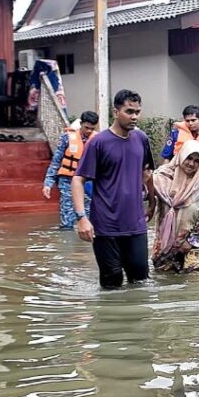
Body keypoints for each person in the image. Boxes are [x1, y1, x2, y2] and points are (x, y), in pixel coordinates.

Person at [72, 89, 157, 289]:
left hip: (135, 224)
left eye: (137, 111)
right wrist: (82, 218)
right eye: (129, 111)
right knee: (111, 282)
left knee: (141, 281)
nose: (134, 116)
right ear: (115, 112)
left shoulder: (141, 139)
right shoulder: (98, 143)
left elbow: (147, 173)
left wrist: (152, 202)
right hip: (106, 226)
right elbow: (78, 180)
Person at [151, 140, 199, 274]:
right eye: (189, 158)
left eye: (197, 161)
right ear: (181, 156)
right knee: (164, 279)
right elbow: (144, 194)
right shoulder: (162, 176)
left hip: (193, 242)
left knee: (195, 277)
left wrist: (189, 242)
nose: (192, 163)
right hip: (166, 242)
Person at [42, 111, 99, 230]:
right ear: (81, 124)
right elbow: (56, 161)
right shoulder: (67, 138)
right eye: (86, 127)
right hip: (68, 180)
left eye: (92, 128)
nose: (89, 131)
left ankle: (85, 247)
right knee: (67, 215)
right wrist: (48, 183)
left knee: (89, 218)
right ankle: (67, 244)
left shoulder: (99, 140)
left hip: (88, 182)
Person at [161, 105, 199, 174]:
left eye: (193, 120)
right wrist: (166, 174)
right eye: (187, 121)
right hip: (180, 174)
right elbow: (166, 158)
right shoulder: (176, 133)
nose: (190, 123)